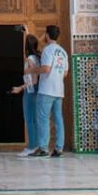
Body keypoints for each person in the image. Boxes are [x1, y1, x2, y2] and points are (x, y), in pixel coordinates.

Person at [31, 25, 68, 157]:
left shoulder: (47, 50)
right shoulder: (63, 51)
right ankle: (59, 148)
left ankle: (43, 148)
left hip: (46, 90)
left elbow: (46, 69)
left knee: (43, 119)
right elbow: (65, 73)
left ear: (47, 35)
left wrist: (33, 70)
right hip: (59, 90)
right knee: (58, 119)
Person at [11, 33, 40, 157]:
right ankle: (35, 145)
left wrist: (19, 88)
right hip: (35, 91)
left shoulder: (30, 60)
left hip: (30, 91)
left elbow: (33, 80)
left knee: (30, 120)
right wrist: (26, 32)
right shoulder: (37, 58)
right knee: (34, 119)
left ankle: (32, 147)